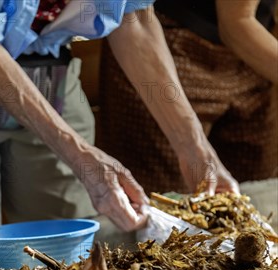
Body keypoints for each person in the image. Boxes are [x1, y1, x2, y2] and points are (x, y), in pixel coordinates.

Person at [0, 0, 239, 246]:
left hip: (49, 67)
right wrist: (81, 152)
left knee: (66, 235)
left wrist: (193, 144)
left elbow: (135, 20)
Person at [98, 0, 277, 194]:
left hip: (253, 59)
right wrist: (191, 143)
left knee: (249, 197)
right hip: (170, 51)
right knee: (164, 199)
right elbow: (237, 22)